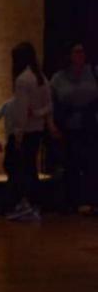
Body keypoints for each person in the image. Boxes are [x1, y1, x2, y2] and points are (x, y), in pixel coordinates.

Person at [4, 41, 54, 222]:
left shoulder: (22, 80)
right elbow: (49, 105)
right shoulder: (41, 78)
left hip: (25, 132)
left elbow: (21, 111)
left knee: (18, 169)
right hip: (37, 130)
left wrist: (18, 135)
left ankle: (23, 205)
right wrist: (39, 114)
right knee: (31, 168)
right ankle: (34, 205)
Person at [50, 41, 98, 213]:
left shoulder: (93, 72)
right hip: (68, 126)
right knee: (71, 164)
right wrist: (53, 125)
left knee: (92, 163)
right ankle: (74, 202)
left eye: (82, 51)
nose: (80, 55)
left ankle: (92, 201)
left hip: (90, 125)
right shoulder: (58, 78)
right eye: (76, 52)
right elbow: (51, 103)